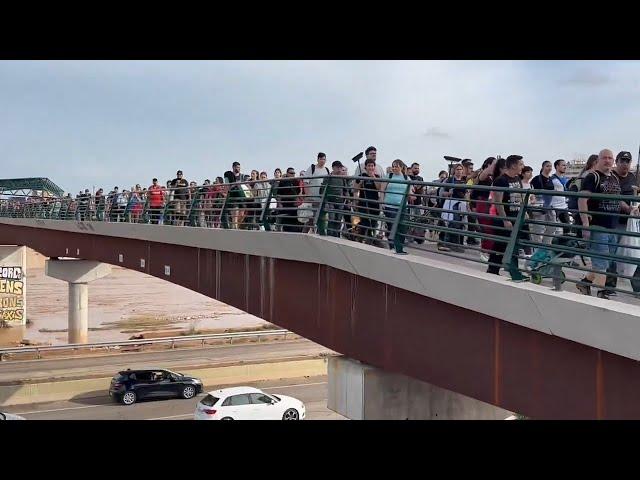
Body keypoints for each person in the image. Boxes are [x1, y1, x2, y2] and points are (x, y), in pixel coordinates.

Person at [577, 149, 636, 299]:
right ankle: (602, 294)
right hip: (598, 225)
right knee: (602, 263)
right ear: (598, 160)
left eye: (610, 158)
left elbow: (617, 200)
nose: (608, 161)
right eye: (605, 158)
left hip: (613, 226)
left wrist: (629, 209)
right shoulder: (592, 177)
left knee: (606, 261)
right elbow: (582, 200)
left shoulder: (614, 178)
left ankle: (585, 283)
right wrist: (585, 224)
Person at [487, 155, 528, 280]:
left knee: (514, 246)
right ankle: (493, 269)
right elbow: (498, 202)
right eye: (521, 164)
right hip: (504, 218)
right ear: (514, 165)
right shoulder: (501, 180)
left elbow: (520, 197)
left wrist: (524, 212)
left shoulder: (517, 179)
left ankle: (513, 272)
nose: (522, 167)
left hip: (516, 216)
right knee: (500, 245)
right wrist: (505, 220)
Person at [606, 151, 638, 294]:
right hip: (615, 221)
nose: (625, 164)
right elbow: (615, 197)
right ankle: (610, 285)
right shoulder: (611, 177)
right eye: (622, 161)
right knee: (613, 253)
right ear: (617, 162)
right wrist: (627, 207)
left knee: (635, 253)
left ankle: (636, 287)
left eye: (627, 161)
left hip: (631, 222)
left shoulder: (632, 177)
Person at [380, 159, 412, 254]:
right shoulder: (388, 176)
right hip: (389, 205)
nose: (394, 168)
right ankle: (392, 246)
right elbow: (382, 190)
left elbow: (409, 191)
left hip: (402, 206)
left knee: (402, 226)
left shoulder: (406, 178)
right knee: (393, 225)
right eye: (393, 166)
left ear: (401, 167)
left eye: (396, 166)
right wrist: (381, 203)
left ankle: (400, 247)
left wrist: (411, 195)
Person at [440, 164, 468, 252]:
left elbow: (466, 193)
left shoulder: (464, 181)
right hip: (452, 204)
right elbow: (442, 193)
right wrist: (449, 193)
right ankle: (449, 243)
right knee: (453, 223)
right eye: (457, 169)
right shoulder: (449, 180)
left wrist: (467, 202)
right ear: (454, 171)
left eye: (461, 169)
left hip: (461, 204)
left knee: (460, 224)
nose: (459, 171)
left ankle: (457, 244)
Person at [353, 158, 382, 243]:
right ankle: (361, 238)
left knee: (373, 223)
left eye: (372, 166)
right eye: (368, 166)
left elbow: (378, 188)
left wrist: (373, 177)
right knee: (364, 222)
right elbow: (355, 189)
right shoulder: (361, 176)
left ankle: (371, 239)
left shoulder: (377, 177)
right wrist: (360, 183)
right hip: (363, 203)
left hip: (374, 204)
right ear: (365, 167)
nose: (370, 167)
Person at [320, 161, 349, 237]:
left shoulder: (342, 178)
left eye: (340, 167)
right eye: (338, 167)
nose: (339, 169)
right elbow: (323, 189)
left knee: (338, 219)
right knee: (332, 218)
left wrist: (347, 200)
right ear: (333, 168)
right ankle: (330, 235)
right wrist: (325, 201)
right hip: (330, 201)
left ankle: (336, 235)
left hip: (340, 202)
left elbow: (345, 189)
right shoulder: (328, 177)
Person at [530, 161, 555, 246]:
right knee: (538, 228)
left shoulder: (551, 179)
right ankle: (537, 246)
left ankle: (546, 244)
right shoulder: (537, 179)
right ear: (543, 167)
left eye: (550, 166)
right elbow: (532, 191)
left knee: (552, 227)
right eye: (547, 166)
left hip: (550, 205)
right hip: (539, 205)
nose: (549, 168)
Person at [276, 167, 302, 232]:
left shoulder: (296, 181)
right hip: (285, 204)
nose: (293, 174)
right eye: (291, 173)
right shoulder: (283, 181)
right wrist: (279, 204)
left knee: (294, 220)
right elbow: (278, 193)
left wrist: (298, 200)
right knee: (286, 220)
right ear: (287, 173)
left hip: (294, 204)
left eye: (294, 173)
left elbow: (298, 192)